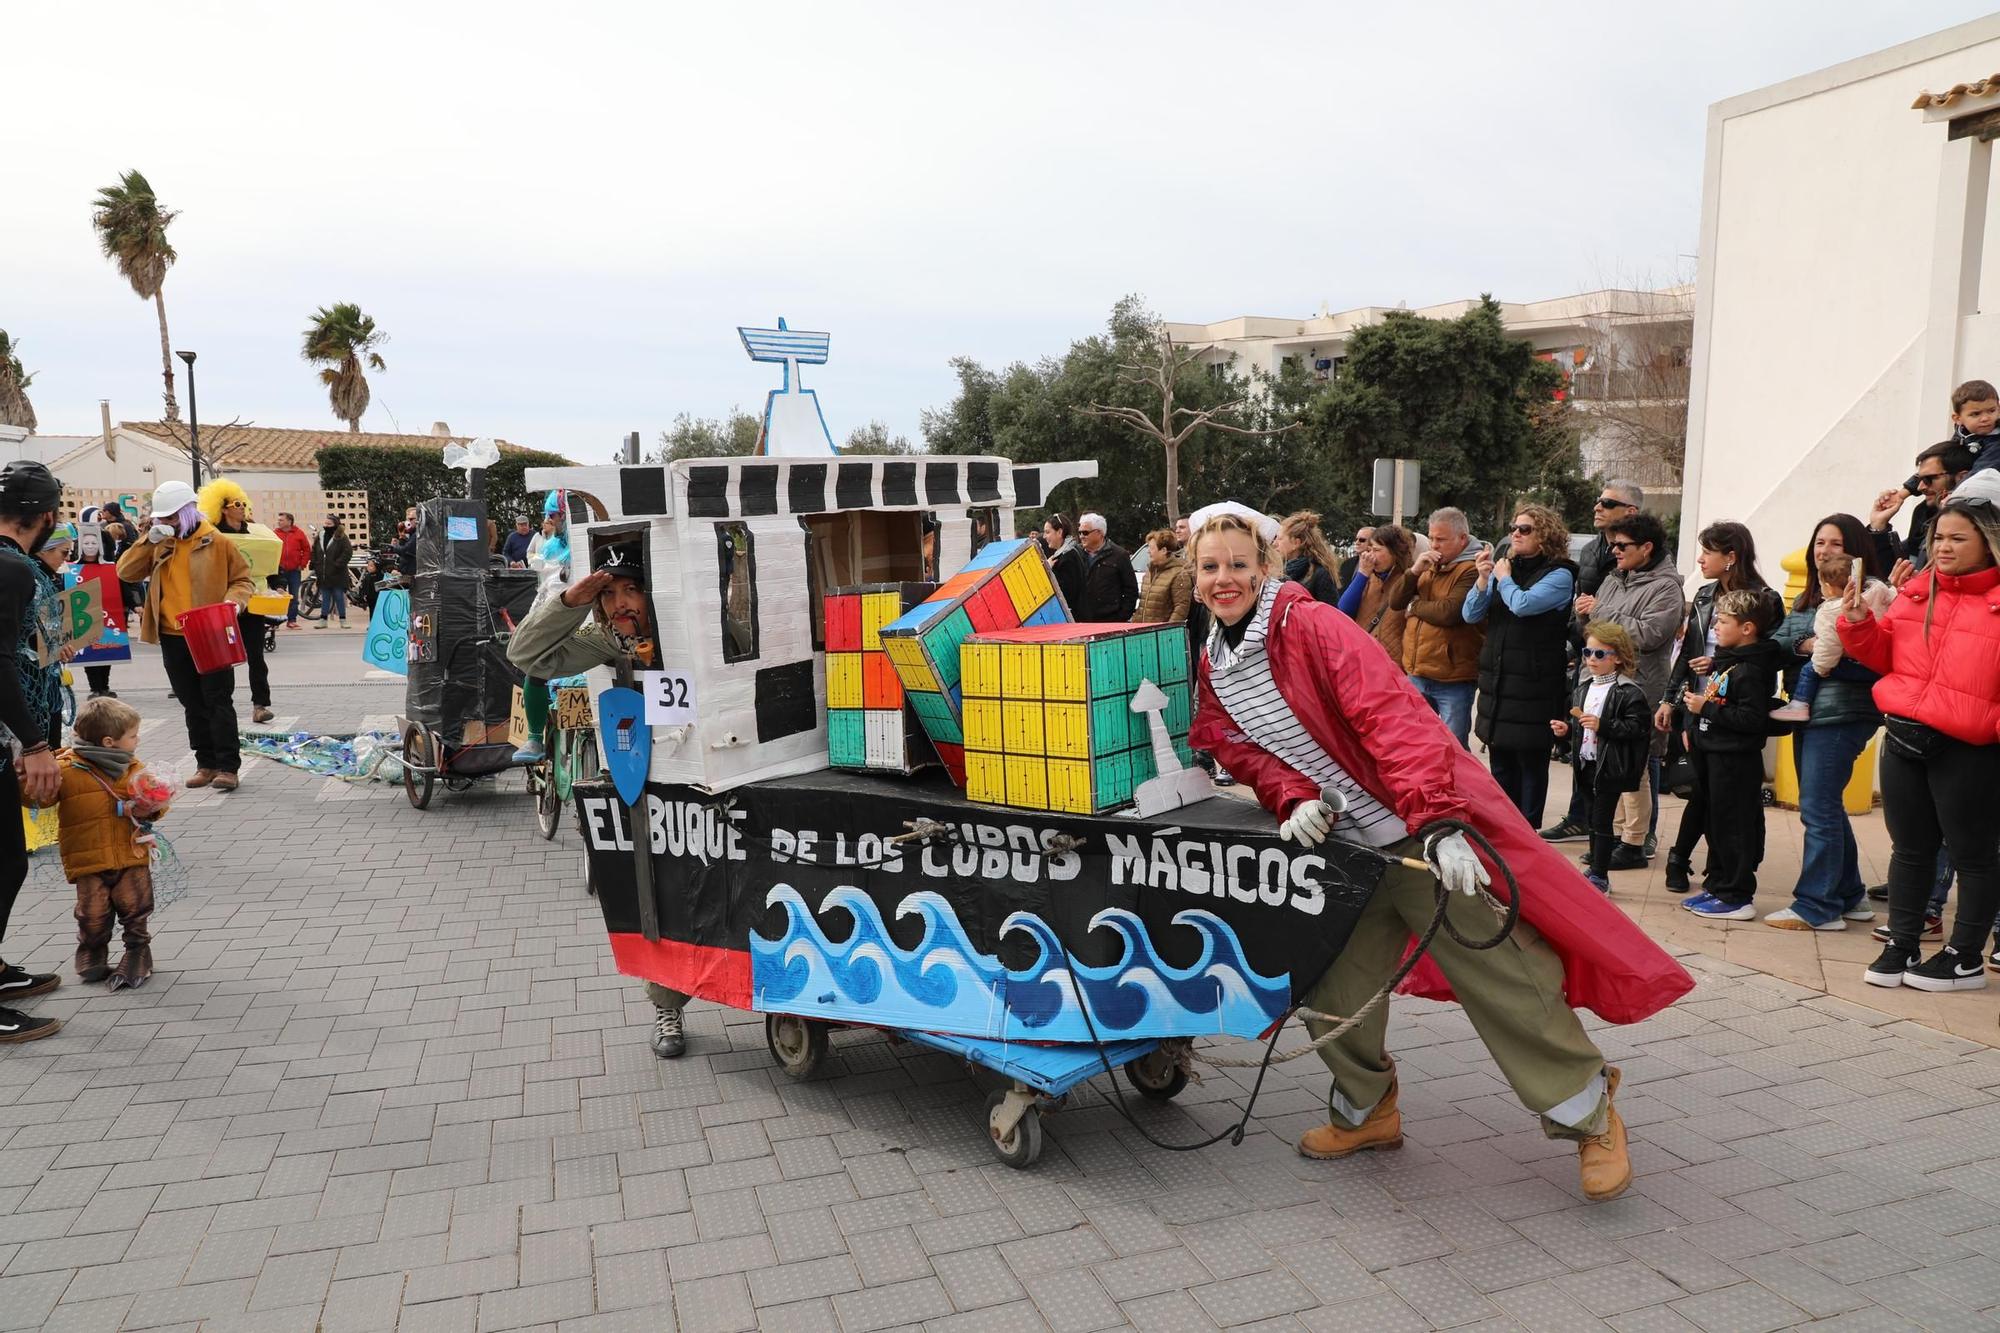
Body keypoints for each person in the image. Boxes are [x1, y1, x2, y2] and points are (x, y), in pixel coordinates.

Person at [1183, 501, 1690, 1201]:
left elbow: (1392, 716)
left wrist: (1441, 823)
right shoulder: (1216, 657)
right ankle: (1368, 1109)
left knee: (1505, 977)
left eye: (1238, 563)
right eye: (1211, 567)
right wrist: (1291, 795)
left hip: (1419, 836)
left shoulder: (1312, 625)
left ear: (1265, 565)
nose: (1224, 577)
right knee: (1331, 991)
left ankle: (1590, 1113)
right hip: (1345, 856)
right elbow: (1234, 743)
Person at [508, 540, 695, 1054]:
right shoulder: (606, 640)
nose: (622, 603)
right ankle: (666, 1009)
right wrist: (571, 600)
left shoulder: (690, 622)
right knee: (653, 893)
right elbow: (525, 655)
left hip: (711, 774)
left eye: (632, 590)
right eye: (610, 594)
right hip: (648, 785)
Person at [1844, 488, 2000, 991]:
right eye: (1939, 538)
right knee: (1909, 851)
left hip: (1970, 747)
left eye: (1958, 538)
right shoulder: (1917, 590)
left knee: (1974, 854)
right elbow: (1885, 657)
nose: (1944, 547)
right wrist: (1858, 621)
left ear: (1990, 542)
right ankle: (1903, 943)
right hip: (1904, 737)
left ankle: (1965, 957)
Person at [1766, 514, 1891, 931]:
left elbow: (1866, 655)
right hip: (1811, 710)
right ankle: (1850, 895)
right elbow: (1780, 642)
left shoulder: (1868, 596)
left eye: (1835, 544)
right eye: (1820, 542)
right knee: (1826, 807)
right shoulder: (1808, 597)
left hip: (1842, 712)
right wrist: (1807, 645)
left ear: (1855, 550)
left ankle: (1817, 906)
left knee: (1817, 809)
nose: (1825, 551)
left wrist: (1825, 650)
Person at [119, 480, 256, 790]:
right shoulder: (158, 543)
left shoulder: (216, 541)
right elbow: (125, 572)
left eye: (171, 517)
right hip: (172, 634)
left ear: (189, 512)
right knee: (191, 702)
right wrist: (147, 541)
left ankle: (227, 767)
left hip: (210, 632)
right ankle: (205, 763)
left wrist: (233, 602)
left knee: (218, 701)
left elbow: (242, 580)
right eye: (161, 518)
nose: (165, 523)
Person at [1656, 522, 1770, 890]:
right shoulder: (1704, 596)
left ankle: (1727, 876)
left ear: (1731, 557)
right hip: (1698, 705)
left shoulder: (1763, 598)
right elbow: (1687, 655)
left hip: (1732, 711)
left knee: (1726, 799)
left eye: (1708, 551)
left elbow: (1766, 656)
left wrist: (1721, 665)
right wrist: (1670, 700)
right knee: (1699, 787)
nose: (1701, 559)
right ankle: (1683, 860)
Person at [0, 460, 66, 1042]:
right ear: (44, 516)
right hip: (6, 736)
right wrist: (36, 742)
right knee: (4, 862)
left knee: (10, 860)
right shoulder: (12, 569)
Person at [1540, 480, 1645, 842]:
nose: (1597, 506)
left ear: (1630, 512)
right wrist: (1579, 638)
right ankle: (1581, 815)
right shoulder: (1591, 551)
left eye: (1607, 502)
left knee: (1633, 759)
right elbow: (1583, 601)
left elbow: (1646, 626)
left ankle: (1636, 835)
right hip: (1589, 656)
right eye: (1597, 501)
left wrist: (1599, 614)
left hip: (1628, 670)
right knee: (1583, 743)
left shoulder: (1643, 558)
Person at [1678, 589, 1787, 922]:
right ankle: (1718, 884)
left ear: (1747, 628)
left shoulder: (1752, 670)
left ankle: (1737, 895)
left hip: (1736, 761)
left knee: (1735, 827)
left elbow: (1752, 720)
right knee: (1717, 824)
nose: (1715, 628)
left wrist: (1706, 708)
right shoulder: (1728, 662)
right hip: (1713, 755)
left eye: (1723, 622)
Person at [1583, 511, 1684, 865]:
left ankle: (1636, 842)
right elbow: (1596, 626)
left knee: (1638, 768)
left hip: (1639, 689)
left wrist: (1601, 612)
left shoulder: (1666, 587)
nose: (1614, 551)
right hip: (1606, 687)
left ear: (1647, 547)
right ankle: (1614, 837)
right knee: (1611, 767)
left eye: (1622, 545)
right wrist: (1585, 613)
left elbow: (1651, 634)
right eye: (1612, 545)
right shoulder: (1616, 577)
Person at [1467, 504, 1577, 826]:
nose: (1515, 533)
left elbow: (1523, 605)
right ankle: (1503, 828)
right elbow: (1470, 615)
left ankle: (1527, 831)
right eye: (1515, 527)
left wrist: (1503, 578)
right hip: (1500, 684)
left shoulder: (1560, 573)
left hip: (1534, 685)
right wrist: (1484, 579)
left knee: (1530, 762)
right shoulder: (1507, 570)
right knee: (1501, 762)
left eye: (1525, 529)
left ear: (1545, 536)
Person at [54, 698, 167, 988]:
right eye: (132, 735)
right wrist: (25, 779)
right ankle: (92, 950)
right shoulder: (66, 769)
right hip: (89, 858)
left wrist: (153, 805)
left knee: (136, 907)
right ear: (109, 741)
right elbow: (38, 797)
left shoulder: (133, 768)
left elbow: (155, 802)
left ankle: (138, 952)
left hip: (130, 852)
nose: (137, 740)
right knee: (91, 915)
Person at [1551, 622, 1649, 893]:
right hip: (1586, 762)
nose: (1591, 660)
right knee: (1593, 819)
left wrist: (1604, 725)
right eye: (1587, 653)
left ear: (1617, 658)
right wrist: (1568, 730)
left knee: (1603, 820)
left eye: (1599, 654)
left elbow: (1638, 728)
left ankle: (1600, 875)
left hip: (1610, 766)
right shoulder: (1585, 687)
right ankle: (1595, 865)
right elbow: (1585, 724)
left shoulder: (1628, 691)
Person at [1389, 507, 1485, 747]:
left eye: (1441, 539)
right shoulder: (1429, 565)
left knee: (1453, 748)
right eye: (1431, 538)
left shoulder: (1471, 569)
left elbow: (1449, 613)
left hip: (1452, 677)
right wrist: (1413, 572)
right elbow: (1396, 602)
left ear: (1462, 539)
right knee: (1417, 746)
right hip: (1417, 671)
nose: (1434, 544)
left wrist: (1415, 606)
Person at [202, 480, 276, 724]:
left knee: (256, 655)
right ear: (223, 509)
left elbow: (269, 560)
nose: (242, 508)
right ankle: (225, 706)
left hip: (252, 602)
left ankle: (260, 704)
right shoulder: (211, 535)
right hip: (222, 604)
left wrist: (280, 582)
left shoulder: (255, 532)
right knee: (225, 658)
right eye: (237, 504)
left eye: (244, 503)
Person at [28, 522, 78, 750]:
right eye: (64, 552)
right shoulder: (30, 577)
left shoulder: (46, 576)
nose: (65, 560)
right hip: (30, 677)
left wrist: (61, 644)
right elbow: (24, 631)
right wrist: (55, 646)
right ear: (45, 549)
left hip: (46, 675)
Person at [78, 504, 133, 697]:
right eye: (87, 544)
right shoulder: (74, 570)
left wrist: (136, 604)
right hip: (86, 614)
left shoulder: (110, 567)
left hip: (109, 612)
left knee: (107, 648)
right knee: (90, 648)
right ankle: (95, 687)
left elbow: (122, 584)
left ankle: (105, 686)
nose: (90, 547)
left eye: (94, 544)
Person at [1337, 523, 1413, 661]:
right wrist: (1362, 574)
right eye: (1370, 549)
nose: (1370, 555)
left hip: (1394, 662)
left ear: (1394, 552)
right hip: (1364, 658)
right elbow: (1344, 610)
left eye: (1377, 550)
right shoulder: (1367, 577)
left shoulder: (1408, 579)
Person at [1075, 513, 1138, 622]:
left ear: (1099, 533)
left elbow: (1131, 590)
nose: (1081, 536)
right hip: (1082, 622)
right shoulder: (1075, 554)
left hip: (1110, 621)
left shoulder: (1119, 555)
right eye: (1079, 532)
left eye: (1085, 532)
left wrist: (1121, 618)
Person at [1277, 511, 1342, 606]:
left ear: (1296, 543)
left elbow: (1330, 614)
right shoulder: (1278, 571)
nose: (1275, 543)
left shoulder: (1320, 574)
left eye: (1280, 539)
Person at [1131, 529, 1190, 624]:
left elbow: (1181, 607)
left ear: (1163, 550)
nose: (1148, 552)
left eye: (1151, 548)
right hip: (1144, 631)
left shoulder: (1179, 573)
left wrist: (1169, 630)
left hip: (1163, 634)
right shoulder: (1149, 572)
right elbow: (1142, 606)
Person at [310, 516, 353, 628]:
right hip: (323, 573)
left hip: (337, 573)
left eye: (329, 524)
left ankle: (343, 619)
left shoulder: (342, 537)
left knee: (339, 596)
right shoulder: (320, 535)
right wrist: (314, 563)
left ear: (335, 525)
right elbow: (314, 550)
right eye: (325, 523)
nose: (326, 526)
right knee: (325, 597)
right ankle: (323, 619)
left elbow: (347, 552)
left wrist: (337, 564)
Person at [274, 511, 311, 629]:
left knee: (293, 596)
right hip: (279, 571)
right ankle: (275, 622)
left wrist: (302, 564)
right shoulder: (275, 533)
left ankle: (292, 620)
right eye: (279, 520)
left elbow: (307, 550)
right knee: (278, 597)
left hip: (295, 570)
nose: (278, 522)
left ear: (289, 521)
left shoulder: (299, 533)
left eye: (281, 520)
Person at [1042, 513, 1085, 615]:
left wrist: (1047, 570)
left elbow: (1064, 594)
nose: (1044, 536)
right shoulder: (1069, 553)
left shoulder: (1068, 557)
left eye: (1047, 532)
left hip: (1075, 620)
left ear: (1060, 532)